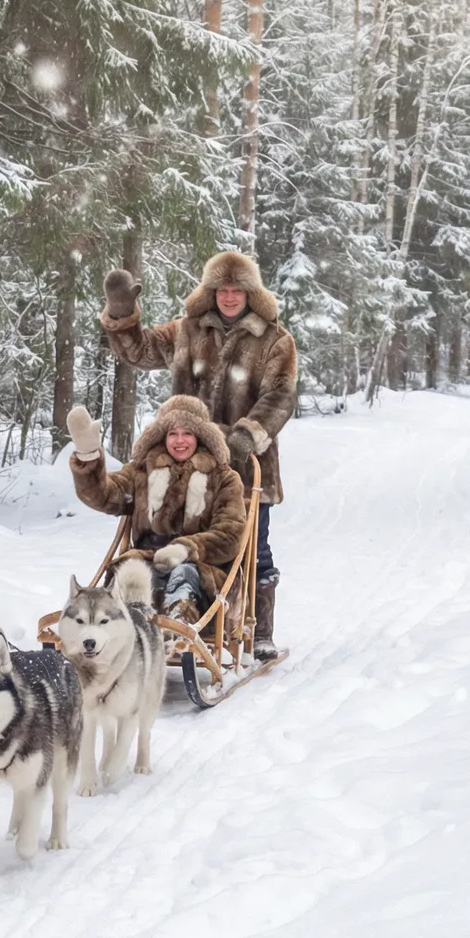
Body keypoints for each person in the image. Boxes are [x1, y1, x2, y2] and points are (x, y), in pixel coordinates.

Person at [100, 250, 297, 659]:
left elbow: (281, 395)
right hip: (184, 460)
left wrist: (245, 436)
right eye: (221, 289)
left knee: (251, 547)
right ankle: (163, 614)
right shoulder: (188, 330)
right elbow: (142, 350)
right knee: (175, 537)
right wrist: (123, 314)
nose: (228, 297)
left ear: (250, 294)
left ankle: (256, 628)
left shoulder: (274, 340)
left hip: (246, 463)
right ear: (211, 292)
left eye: (236, 290)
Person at [64, 397, 246, 628]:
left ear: (201, 436)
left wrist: (185, 549)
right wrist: (89, 459)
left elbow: (230, 535)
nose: (180, 441)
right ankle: (127, 631)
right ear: (162, 436)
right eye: (172, 433)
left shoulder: (223, 477)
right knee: (130, 572)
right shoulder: (142, 471)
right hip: (147, 557)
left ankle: (177, 630)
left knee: (184, 575)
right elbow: (107, 496)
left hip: (203, 566)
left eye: (187, 433)